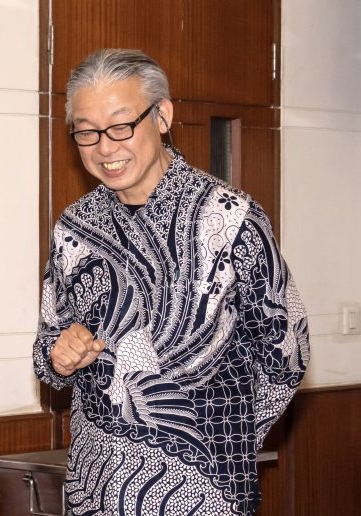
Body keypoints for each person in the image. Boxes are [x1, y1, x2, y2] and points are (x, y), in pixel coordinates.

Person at [33, 48, 309, 515]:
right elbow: (46, 350)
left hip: (207, 494)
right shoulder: (74, 228)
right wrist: (60, 356)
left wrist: (226, 441)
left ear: (162, 116)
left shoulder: (230, 219)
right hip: (94, 490)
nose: (105, 147)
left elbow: (287, 353)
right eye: (86, 132)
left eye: (121, 126)